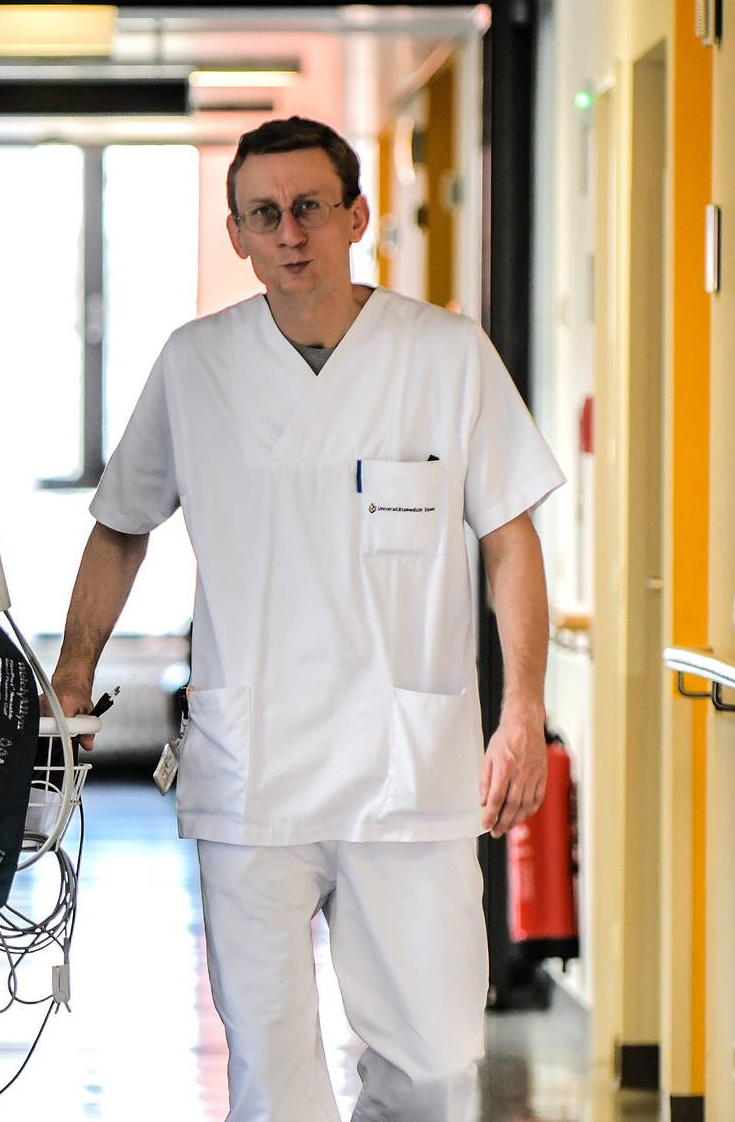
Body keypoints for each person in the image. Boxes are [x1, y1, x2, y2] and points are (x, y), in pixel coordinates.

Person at [50, 116, 564, 1122]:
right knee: (271, 1074)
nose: (291, 232)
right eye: (265, 214)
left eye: (310, 208)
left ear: (355, 214)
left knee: (436, 1063)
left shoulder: (446, 355)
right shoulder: (197, 365)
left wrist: (523, 711)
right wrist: (73, 678)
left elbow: (509, 536)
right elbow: (121, 525)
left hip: (406, 766)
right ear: (237, 233)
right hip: (256, 769)